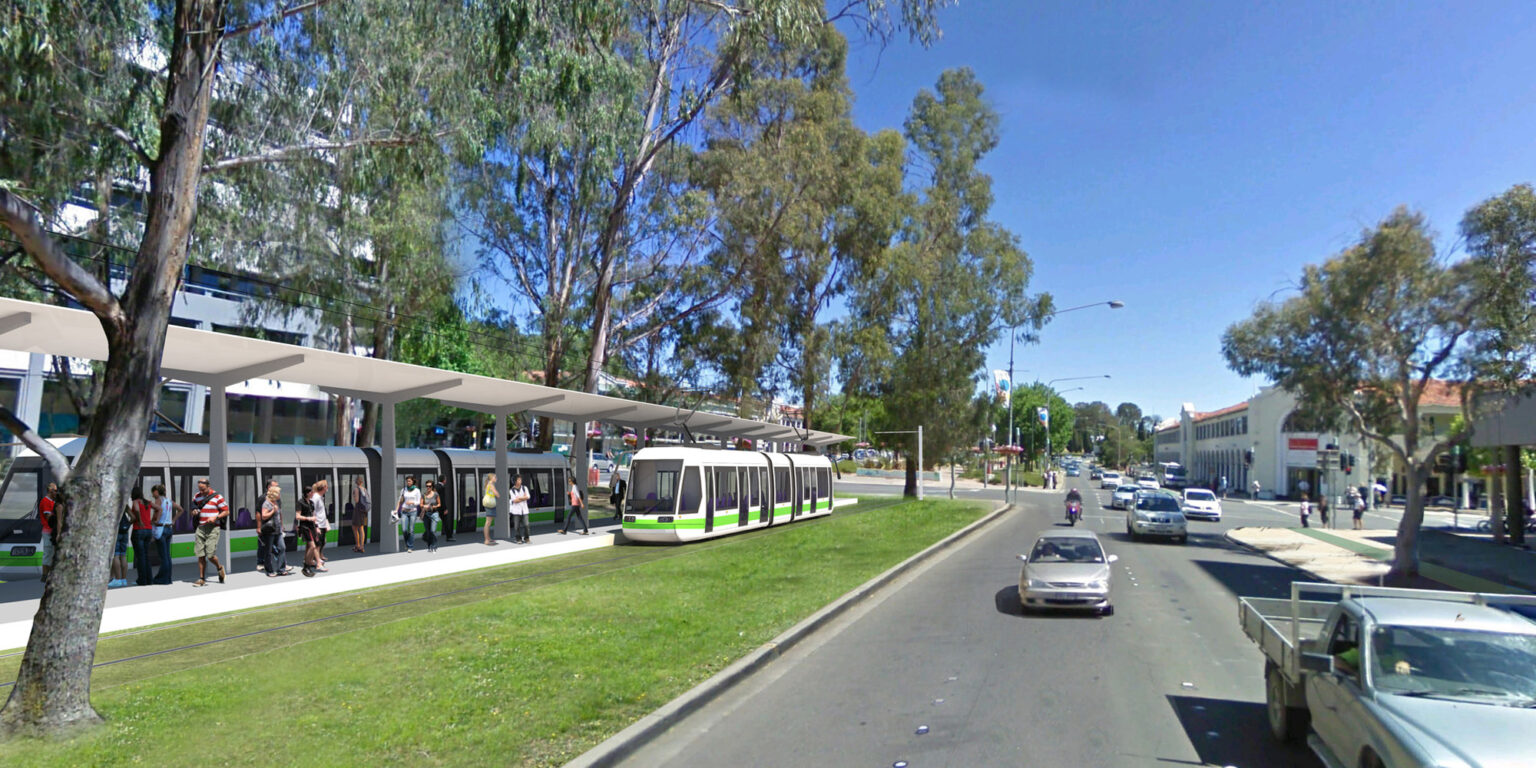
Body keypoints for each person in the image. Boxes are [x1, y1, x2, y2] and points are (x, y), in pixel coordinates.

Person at [192, 478, 229, 587]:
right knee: (200, 554)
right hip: (200, 528)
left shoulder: (218, 497)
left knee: (210, 555)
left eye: (203, 489)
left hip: (213, 528)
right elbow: (193, 508)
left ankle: (219, 567)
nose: (201, 492)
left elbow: (226, 511)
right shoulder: (196, 496)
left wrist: (215, 517)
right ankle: (201, 579)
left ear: (208, 486)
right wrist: (194, 511)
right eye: (200, 489)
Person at [259, 487, 291, 577]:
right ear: (274, 494)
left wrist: (282, 525)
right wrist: (273, 510)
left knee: (282, 548)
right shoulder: (266, 503)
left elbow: (279, 515)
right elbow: (264, 516)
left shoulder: (277, 502)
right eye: (279, 493)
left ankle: (281, 569)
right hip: (270, 531)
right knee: (268, 551)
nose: (280, 495)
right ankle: (269, 571)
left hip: (278, 530)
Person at [151, 484, 178, 584]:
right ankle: (168, 578)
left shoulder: (158, 500)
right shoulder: (169, 501)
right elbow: (181, 509)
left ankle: (162, 579)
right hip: (168, 529)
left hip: (160, 529)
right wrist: (173, 520)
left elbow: (156, 514)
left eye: (153, 492)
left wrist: (153, 521)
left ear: (157, 492)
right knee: (167, 556)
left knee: (163, 557)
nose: (152, 495)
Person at [130, 486, 154, 586]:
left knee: (140, 557)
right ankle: (149, 580)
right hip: (148, 530)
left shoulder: (136, 502)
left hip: (138, 531)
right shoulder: (148, 502)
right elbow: (159, 509)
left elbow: (136, 510)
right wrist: (153, 520)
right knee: (146, 556)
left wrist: (139, 521)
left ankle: (142, 580)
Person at [109, 490, 133, 588]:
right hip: (124, 532)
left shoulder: (111, 505)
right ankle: (123, 579)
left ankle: (117, 580)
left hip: (116, 532)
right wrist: (128, 525)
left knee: (115, 555)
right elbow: (133, 517)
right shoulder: (124, 504)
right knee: (123, 555)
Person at [38, 483, 61, 582]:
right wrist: (59, 514)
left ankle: (50, 574)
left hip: (52, 531)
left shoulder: (53, 501)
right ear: (50, 491)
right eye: (55, 491)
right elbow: (49, 518)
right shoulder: (45, 502)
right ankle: (45, 575)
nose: (57, 493)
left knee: (52, 553)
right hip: (48, 531)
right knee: (48, 553)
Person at [294, 493, 320, 577]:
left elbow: (313, 515)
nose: (313, 494)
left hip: (312, 527)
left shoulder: (311, 503)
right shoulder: (300, 502)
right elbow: (298, 516)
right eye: (311, 492)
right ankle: (306, 567)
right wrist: (308, 518)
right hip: (305, 527)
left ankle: (307, 563)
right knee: (313, 547)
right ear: (307, 493)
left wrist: (316, 526)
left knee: (309, 546)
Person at [396, 475, 422, 553]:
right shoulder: (404, 490)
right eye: (407, 481)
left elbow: (419, 502)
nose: (408, 482)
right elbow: (400, 501)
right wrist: (396, 510)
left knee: (411, 530)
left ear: (413, 482)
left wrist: (412, 502)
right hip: (404, 511)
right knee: (404, 530)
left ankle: (410, 546)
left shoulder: (417, 490)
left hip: (413, 511)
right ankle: (407, 543)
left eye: (409, 481)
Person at [310, 480, 330, 570]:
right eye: (326, 486)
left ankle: (312, 561)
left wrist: (325, 524)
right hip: (318, 525)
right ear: (323, 487)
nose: (327, 488)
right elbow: (312, 512)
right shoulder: (316, 498)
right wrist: (316, 526)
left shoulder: (320, 497)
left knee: (320, 544)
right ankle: (318, 563)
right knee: (317, 545)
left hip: (322, 525)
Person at [509, 475, 531, 544]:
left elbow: (528, 496)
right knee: (516, 527)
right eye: (519, 479)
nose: (520, 481)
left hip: (525, 511)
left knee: (526, 525)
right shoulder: (511, 490)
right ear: (515, 481)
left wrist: (519, 498)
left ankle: (527, 538)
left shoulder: (524, 488)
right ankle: (518, 539)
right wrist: (523, 497)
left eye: (520, 479)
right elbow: (514, 500)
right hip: (516, 511)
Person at [351, 476, 370, 553]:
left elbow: (356, 500)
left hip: (358, 510)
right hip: (363, 511)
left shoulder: (356, 489)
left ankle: (358, 545)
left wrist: (353, 496)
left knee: (354, 527)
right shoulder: (364, 489)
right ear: (362, 482)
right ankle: (361, 546)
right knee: (361, 528)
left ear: (356, 482)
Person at [421, 480, 442, 552]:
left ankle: (434, 546)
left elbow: (439, 504)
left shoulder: (436, 494)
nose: (428, 487)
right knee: (428, 532)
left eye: (429, 486)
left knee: (433, 531)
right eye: (427, 486)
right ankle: (429, 546)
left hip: (434, 514)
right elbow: (421, 504)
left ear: (432, 486)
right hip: (426, 514)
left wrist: (433, 507)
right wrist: (424, 506)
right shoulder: (423, 495)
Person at [482, 473, 499, 546]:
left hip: (489, 504)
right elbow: (497, 494)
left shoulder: (488, 484)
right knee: (488, 523)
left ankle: (488, 538)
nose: (496, 478)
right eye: (495, 477)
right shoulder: (491, 485)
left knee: (488, 522)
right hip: (490, 504)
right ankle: (486, 540)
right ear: (491, 478)